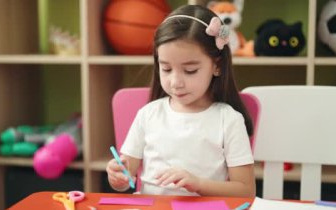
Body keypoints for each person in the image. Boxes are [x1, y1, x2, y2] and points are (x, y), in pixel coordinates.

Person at [106, 4, 255, 197]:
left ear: (217, 66)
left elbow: (245, 191)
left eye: (190, 71)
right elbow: (126, 179)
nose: (176, 82)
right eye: (166, 69)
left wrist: (198, 184)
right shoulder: (148, 114)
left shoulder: (228, 120)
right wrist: (118, 177)